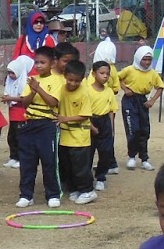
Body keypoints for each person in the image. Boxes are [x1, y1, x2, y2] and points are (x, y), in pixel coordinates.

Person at [14, 45, 65, 208]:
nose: (38, 66)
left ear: (53, 63)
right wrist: (33, 90)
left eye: (42, 62)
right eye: (36, 63)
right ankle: (26, 195)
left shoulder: (58, 81)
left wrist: (39, 89)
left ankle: (53, 194)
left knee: (49, 160)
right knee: (27, 161)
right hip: (30, 124)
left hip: (47, 125)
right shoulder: (32, 80)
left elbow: (53, 102)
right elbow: (24, 103)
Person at [56, 60, 99, 205]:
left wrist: (65, 119)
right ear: (65, 76)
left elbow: (85, 115)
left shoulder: (84, 93)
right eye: (70, 80)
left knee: (81, 167)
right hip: (64, 136)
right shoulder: (61, 89)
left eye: (77, 81)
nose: (73, 83)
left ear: (82, 79)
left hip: (80, 137)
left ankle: (88, 191)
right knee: (68, 166)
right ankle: (75, 189)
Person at [119, 46, 164, 171]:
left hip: (143, 101)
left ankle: (144, 159)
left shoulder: (152, 73)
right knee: (132, 129)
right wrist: (125, 89)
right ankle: (131, 156)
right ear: (138, 58)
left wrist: (152, 100)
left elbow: (160, 86)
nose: (147, 62)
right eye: (144, 59)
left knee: (144, 130)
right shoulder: (129, 70)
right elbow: (117, 78)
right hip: (130, 100)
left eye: (149, 60)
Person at [83, 61, 120, 186]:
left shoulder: (109, 91)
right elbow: (84, 111)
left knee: (106, 152)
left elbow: (111, 110)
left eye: (107, 74)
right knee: (88, 152)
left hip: (105, 122)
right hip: (90, 121)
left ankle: (100, 177)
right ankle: (87, 178)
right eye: (102, 73)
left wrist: (112, 128)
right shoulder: (87, 90)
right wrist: (91, 127)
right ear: (93, 74)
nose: (105, 76)